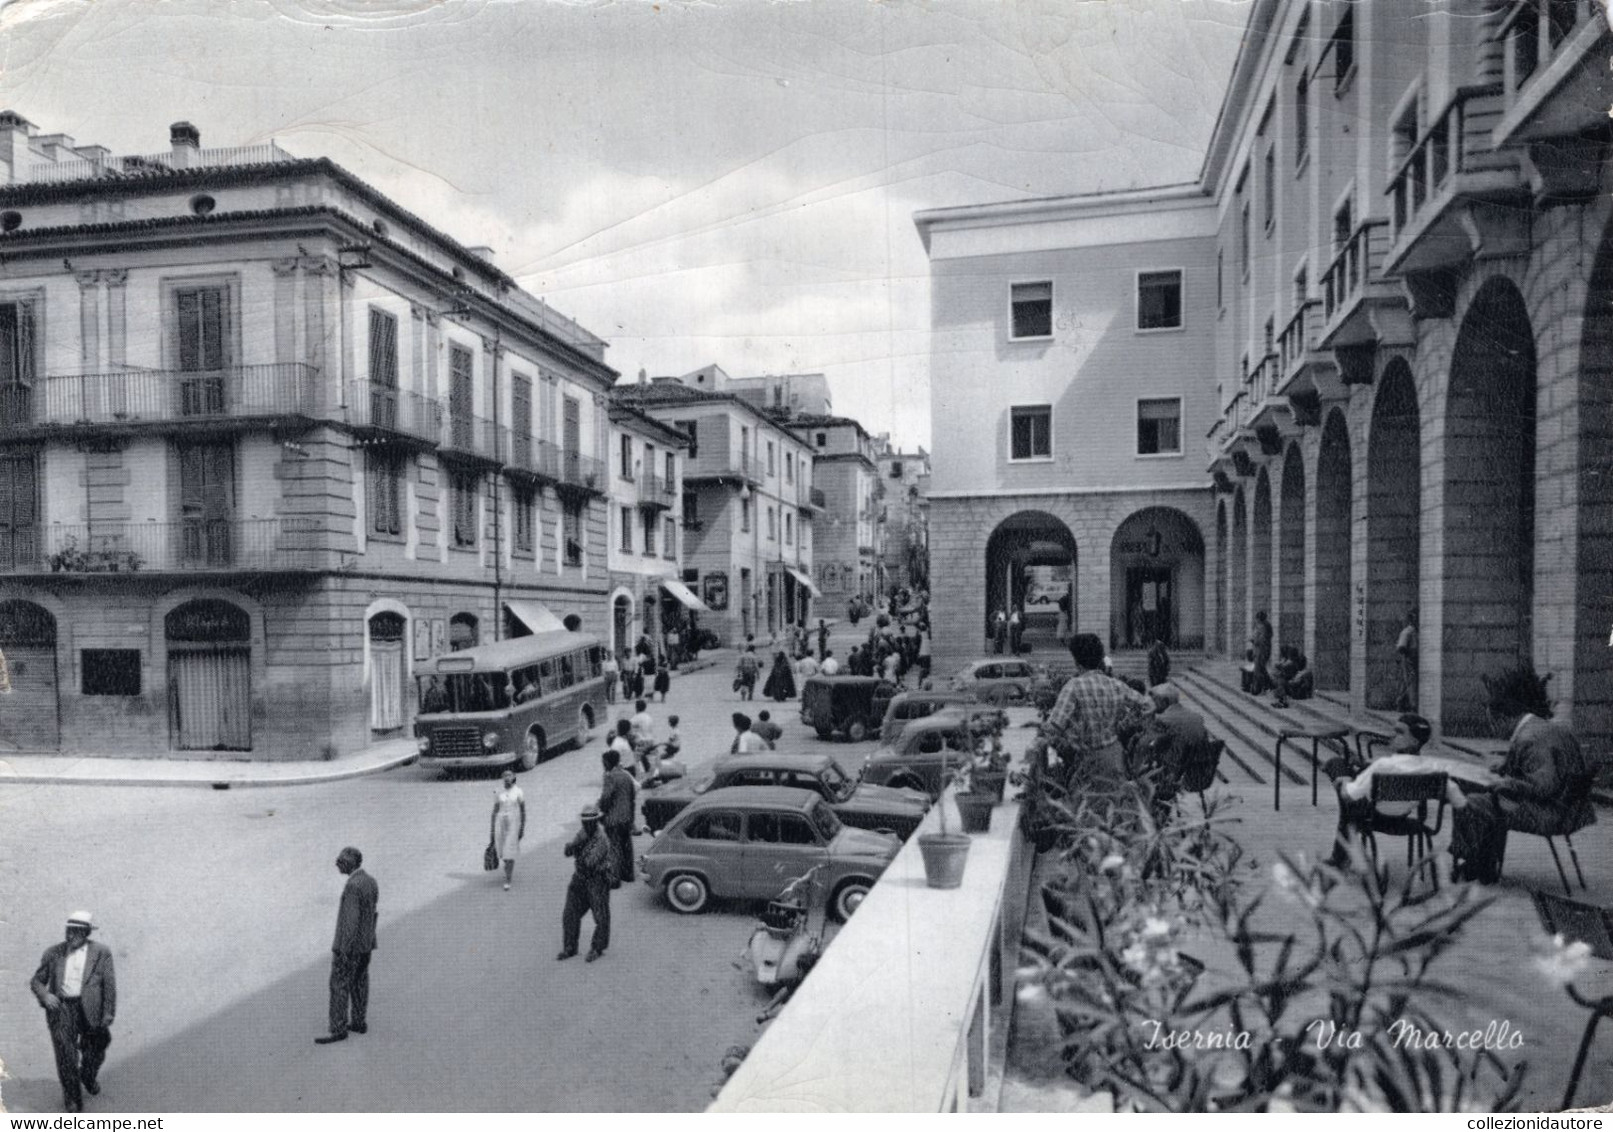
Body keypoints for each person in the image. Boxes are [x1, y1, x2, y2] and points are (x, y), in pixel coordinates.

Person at [1449, 668, 1595, 885]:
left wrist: (1507, 781)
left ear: (1504, 719)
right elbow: (1542, 767)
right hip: (1569, 809)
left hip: (1551, 814)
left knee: (1469, 802)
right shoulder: (1543, 727)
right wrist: (1505, 767)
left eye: (1493, 725)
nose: (1494, 731)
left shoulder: (1529, 738)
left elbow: (1544, 785)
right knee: (1489, 802)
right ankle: (1482, 863)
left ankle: (1474, 864)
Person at [1322, 713, 1455, 868]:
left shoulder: (1383, 766)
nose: (1394, 736)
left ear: (1414, 740)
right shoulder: (1430, 768)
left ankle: (1340, 856)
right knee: (1351, 796)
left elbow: (1354, 793)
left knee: (1336, 766)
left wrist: (1345, 780)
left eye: (1400, 733)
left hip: (1375, 817)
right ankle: (1342, 850)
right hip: (1403, 817)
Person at [1034, 633, 1154, 789]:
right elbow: (1148, 706)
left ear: (1076, 661)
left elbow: (1055, 726)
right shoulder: (1115, 684)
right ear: (1100, 659)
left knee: (1085, 803)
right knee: (1114, 801)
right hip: (1115, 758)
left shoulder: (1073, 687)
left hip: (1088, 760)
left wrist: (1037, 730)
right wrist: (1128, 722)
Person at [31, 911, 116, 1112]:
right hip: (61, 1009)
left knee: (97, 1047)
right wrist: (45, 995)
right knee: (66, 1055)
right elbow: (37, 980)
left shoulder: (101, 952)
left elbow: (109, 985)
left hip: (91, 1009)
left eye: (76, 932)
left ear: (86, 933)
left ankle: (87, 1075)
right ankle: (72, 1099)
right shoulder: (53, 953)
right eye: (69, 931)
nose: (70, 936)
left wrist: (108, 1013)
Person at [316, 846, 377, 1045]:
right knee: (359, 982)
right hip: (366, 945)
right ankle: (359, 1022)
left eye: (340, 861)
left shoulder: (352, 886)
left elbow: (350, 922)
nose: (337, 864)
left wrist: (344, 949)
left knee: (339, 985)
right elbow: (371, 915)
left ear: (349, 863)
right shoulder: (370, 881)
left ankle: (338, 1028)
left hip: (349, 948)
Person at [558, 805, 614, 963]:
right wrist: (573, 848)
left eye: (589, 822)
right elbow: (569, 851)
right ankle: (570, 947)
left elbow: (588, 862)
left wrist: (575, 848)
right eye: (584, 822)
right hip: (580, 878)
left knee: (600, 916)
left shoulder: (601, 839)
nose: (586, 825)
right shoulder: (583, 833)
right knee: (570, 914)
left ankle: (597, 947)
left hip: (597, 879)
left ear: (596, 822)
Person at [598, 747, 638, 886]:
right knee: (626, 846)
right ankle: (628, 874)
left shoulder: (610, 776)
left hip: (613, 819)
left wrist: (601, 811)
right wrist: (632, 818)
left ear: (608, 763)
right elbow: (632, 797)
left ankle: (614, 878)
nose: (603, 765)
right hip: (626, 817)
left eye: (604, 762)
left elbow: (605, 798)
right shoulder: (626, 775)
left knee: (614, 847)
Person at [490, 770, 526, 891]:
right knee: (502, 851)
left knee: (509, 851)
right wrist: (491, 829)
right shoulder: (498, 791)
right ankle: (507, 866)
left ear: (514, 777)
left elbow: (523, 810)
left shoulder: (518, 792)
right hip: (500, 823)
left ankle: (508, 880)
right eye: (504, 775)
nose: (507, 777)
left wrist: (522, 827)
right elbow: (495, 810)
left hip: (513, 823)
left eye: (509, 775)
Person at [1396, 609, 1419, 712]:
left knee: (1408, 683)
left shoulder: (1417, 632)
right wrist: (1409, 655)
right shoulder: (1407, 632)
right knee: (1410, 682)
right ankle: (1413, 705)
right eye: (1414, 618)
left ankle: (1401, 702)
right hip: (1409, 659)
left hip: (1416, 660)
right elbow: (1401, 647)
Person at [1249, 611, 1274, 696]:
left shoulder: (1264, 627)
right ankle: (1267, 686)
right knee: (1260, 668)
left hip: (1262, 650)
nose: (1256, 620)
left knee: (1259, 669)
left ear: (1260, 619)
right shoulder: (1261, 626)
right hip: (1259, 650)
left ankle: (1263, 687)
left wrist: (1254, 640)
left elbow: (1262, 640)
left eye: (1257, 619)